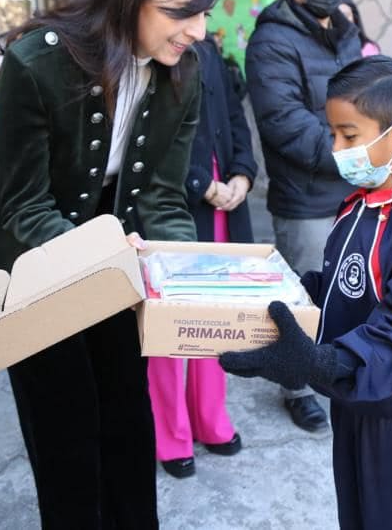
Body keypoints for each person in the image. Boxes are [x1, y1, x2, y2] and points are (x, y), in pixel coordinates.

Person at [0, 0, 232, 528]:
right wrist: (103, 256)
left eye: (205, 13)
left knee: (127, 417)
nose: (199, 31)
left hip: (114, 241)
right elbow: (25, 206)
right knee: (66, 432)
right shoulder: (37, 63)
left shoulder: (185, 71)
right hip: (27, 254)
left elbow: (162, 195)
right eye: (183, 11)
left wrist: (182, 276)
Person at [221, 56, 392, 530]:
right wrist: (283, 294)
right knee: (356, 515)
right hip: (351, 397)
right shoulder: (358, 205)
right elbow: (342, 288)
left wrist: (320, 362)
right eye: (332, 134)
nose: (336, 148)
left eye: (349, 135)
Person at [245, 0, 363, 431]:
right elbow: (285, 124)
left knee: (350, 291)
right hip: (306, 196)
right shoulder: (271, 41)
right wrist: (356, 154)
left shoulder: (346, 31)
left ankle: (338, 369)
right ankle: (297, 388)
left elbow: (364, 97)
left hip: (355, 188)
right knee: (304, 296)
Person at [145, 38, 256, 479]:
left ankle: (210, 419)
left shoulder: (209, 53)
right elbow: (146, 138)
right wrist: (199, 183)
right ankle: (170, 435)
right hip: (171, 204)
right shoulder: (152, 52)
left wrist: (243, 173)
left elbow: (235, 116)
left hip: (226, 199)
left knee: (215, 316)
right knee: (171, 323)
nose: (197, 24)